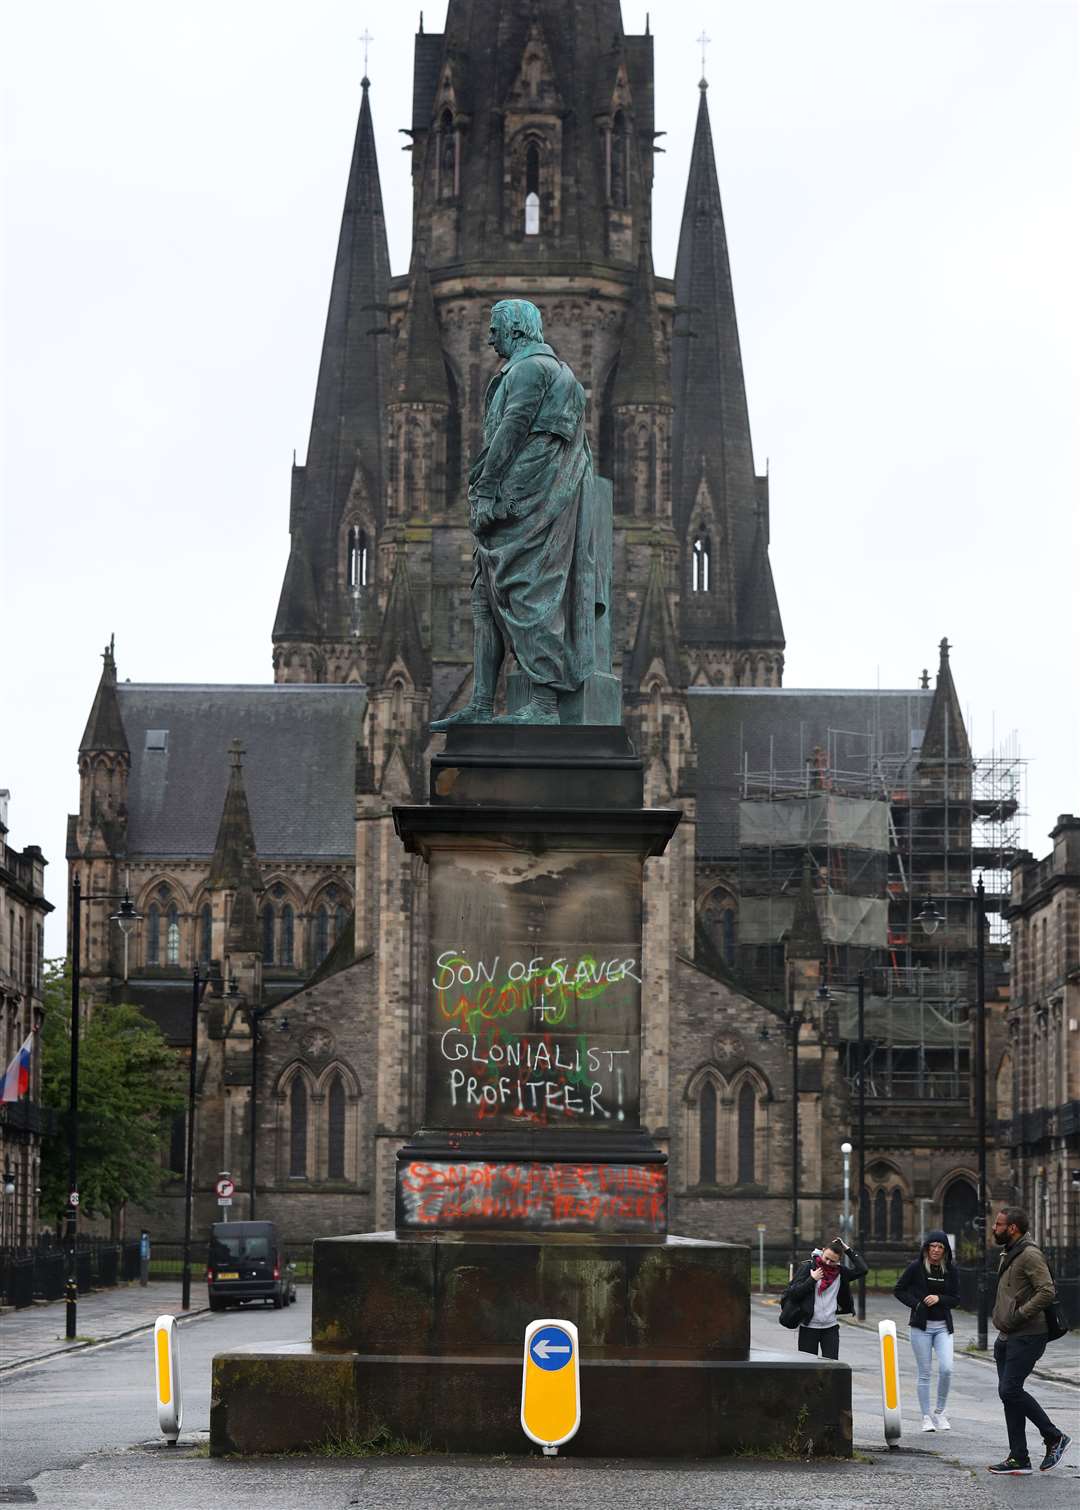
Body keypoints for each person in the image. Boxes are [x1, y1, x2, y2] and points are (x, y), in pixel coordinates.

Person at [430, 299, 601, 730]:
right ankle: (483, 702)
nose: (489, 337)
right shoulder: (554, 372)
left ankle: (543, 705)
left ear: (516, 330)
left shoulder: (531, 370)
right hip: (526, 500)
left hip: (525, 504)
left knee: (530, 594)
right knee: (485, 601)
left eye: (495, 328)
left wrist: (486, 490)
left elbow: (512, 430)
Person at [987, 1205, 1072, 1475]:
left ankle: (1054, 1437)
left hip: (1028, 1334)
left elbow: (1047, 1291)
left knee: (1010, 1390)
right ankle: (1019, 1457)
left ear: (1012, 1228)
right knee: (1008, 1395)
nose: (994, 1228)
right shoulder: (1010, 1252)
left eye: (999, 1224)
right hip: (1008, 1334)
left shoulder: (1030, 1254)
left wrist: (1019, 1315)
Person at [894, 1229, 959, 1431]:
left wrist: (940, 1298)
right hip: (921, 1327)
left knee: (947, 1368)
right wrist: (917, 1304)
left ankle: (940, 1413)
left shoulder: (950, 1269)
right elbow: (899, 1289)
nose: (936, 1250)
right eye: (933, 1246)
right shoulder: (916, 1267)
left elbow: (957, 1299)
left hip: (942, 1327)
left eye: (940, 1247)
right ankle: (926, 1417)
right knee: (924, 1373)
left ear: (945, 1250)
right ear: (926, 1248)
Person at [780, 1236, 868, 1360]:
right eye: (826, 1258)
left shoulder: (840, 1272)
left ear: (838, 1261)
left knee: (831, 1367)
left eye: (833, 1261)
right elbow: (793, 1294)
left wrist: (847, 1249)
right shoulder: (809, 1268)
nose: (828, 1263)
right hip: (809, 1327)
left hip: (830, 1328)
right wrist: (812, 1280)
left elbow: (862, 1269)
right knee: (808, 1368)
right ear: (822, 1251)